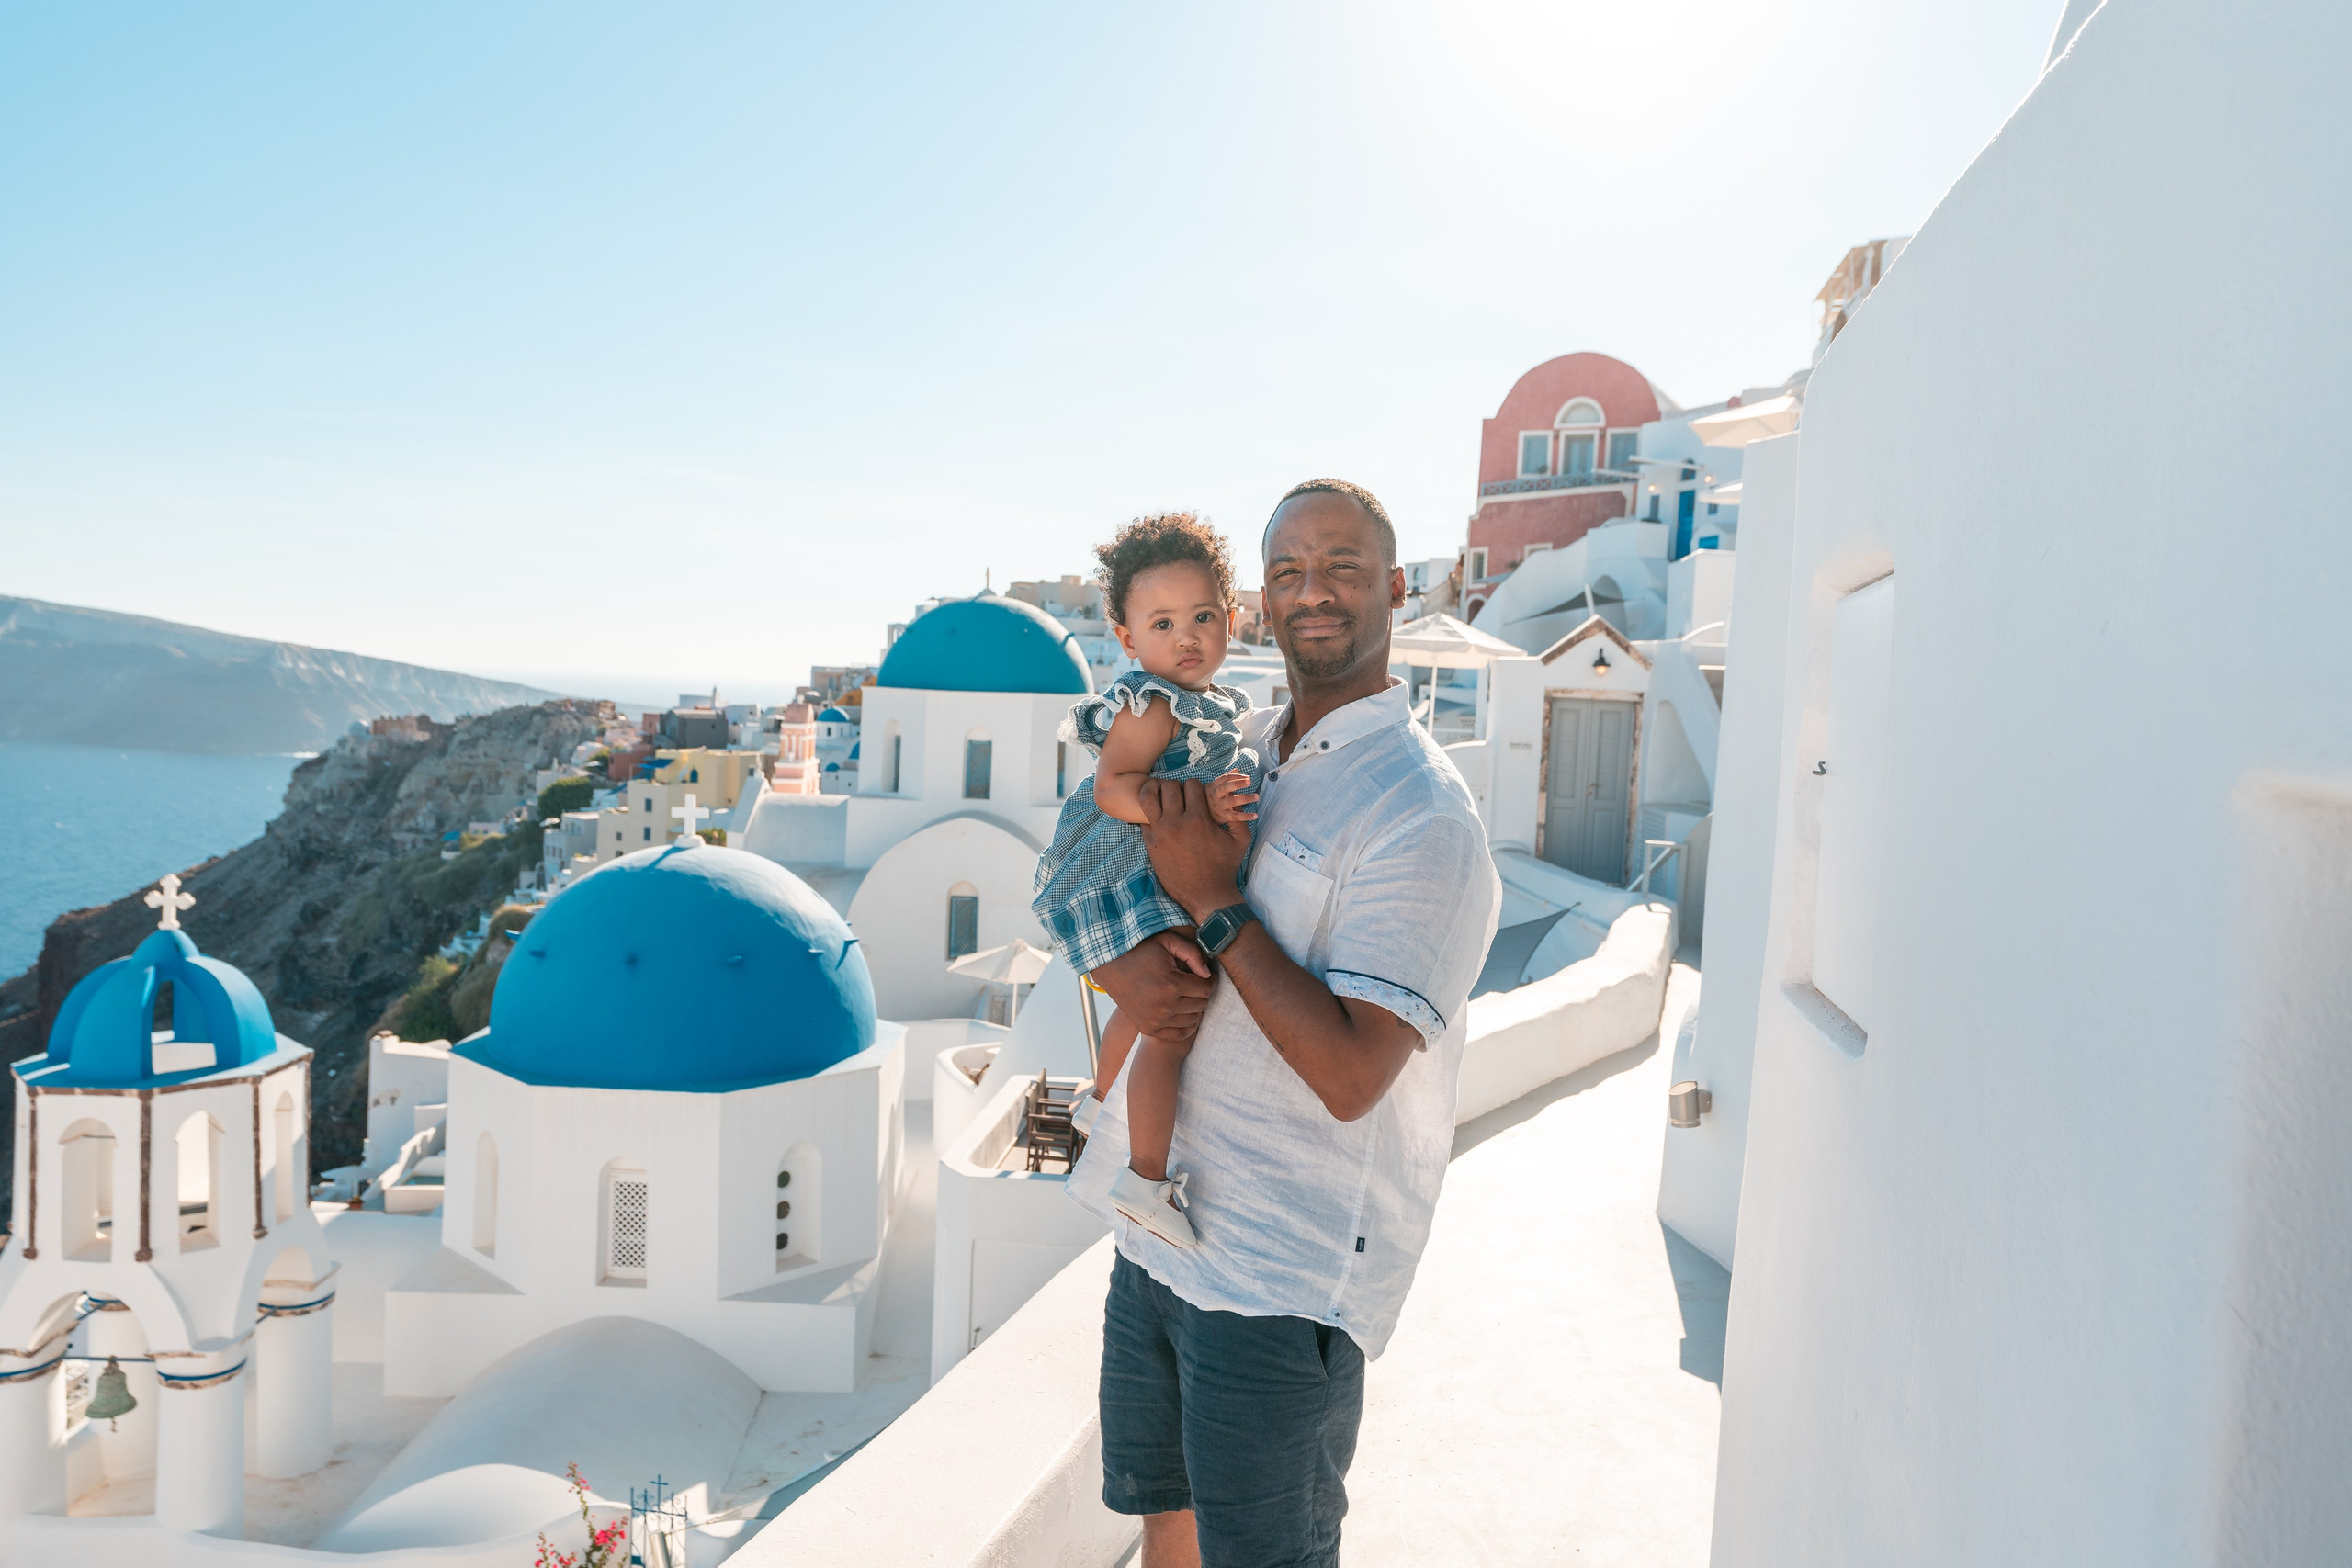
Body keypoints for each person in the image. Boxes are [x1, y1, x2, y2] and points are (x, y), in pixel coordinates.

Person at [1068, 479, 1501, 1568]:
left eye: (1344, 567)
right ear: (1260, 599)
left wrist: (1217, 903)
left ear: (1396, 589)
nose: (1315, 592)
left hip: (1273, 1280)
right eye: (1291, 571)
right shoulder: (1238, 744)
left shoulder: (1421, 814)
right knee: (1163, 1522)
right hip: (1158, 1243)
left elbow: (1355, 1074)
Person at [1034, 513, 1263, 1247]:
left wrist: (1213, 800)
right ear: (1129, 640)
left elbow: (1199, 780)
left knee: (1144, 1008)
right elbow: (1113, 787)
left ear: (1231, 619)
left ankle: (1101, 1104)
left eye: (1202, 617)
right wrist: (1176, 813)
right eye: (1162, 623)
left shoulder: (1219, 707)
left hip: (1164, 865)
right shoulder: (1152, 701)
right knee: (1171, 1022)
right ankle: (1143, 1176)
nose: (1187, 636)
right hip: (1127, 867)